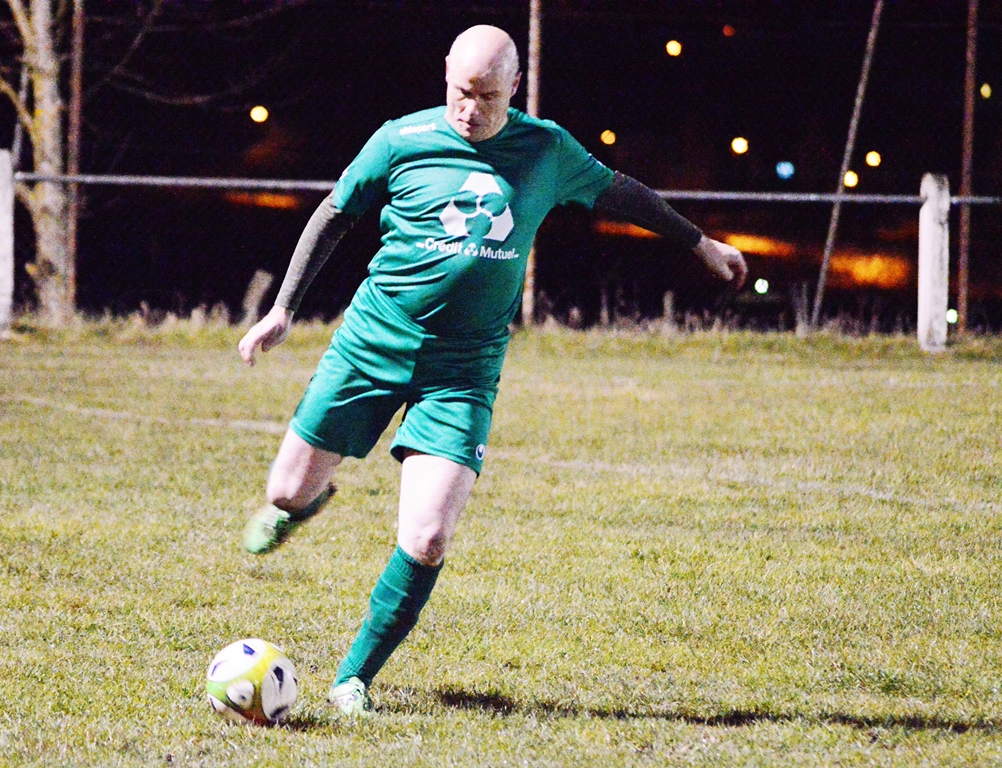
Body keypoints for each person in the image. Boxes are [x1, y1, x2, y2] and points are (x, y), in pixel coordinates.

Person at [237, 24, 747, 716]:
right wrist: (282, 309)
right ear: (446, 73)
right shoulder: (401, 139)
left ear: (515, 87)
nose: (469, 109)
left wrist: (700, 243)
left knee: (428, 537)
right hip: (370, 344)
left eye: (486, 96)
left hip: (463, 370)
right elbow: (334, 214)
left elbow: (622, 193)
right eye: (460, 92)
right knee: (284, 491)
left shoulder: (546, 149)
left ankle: (353, 678)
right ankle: (304, 503)